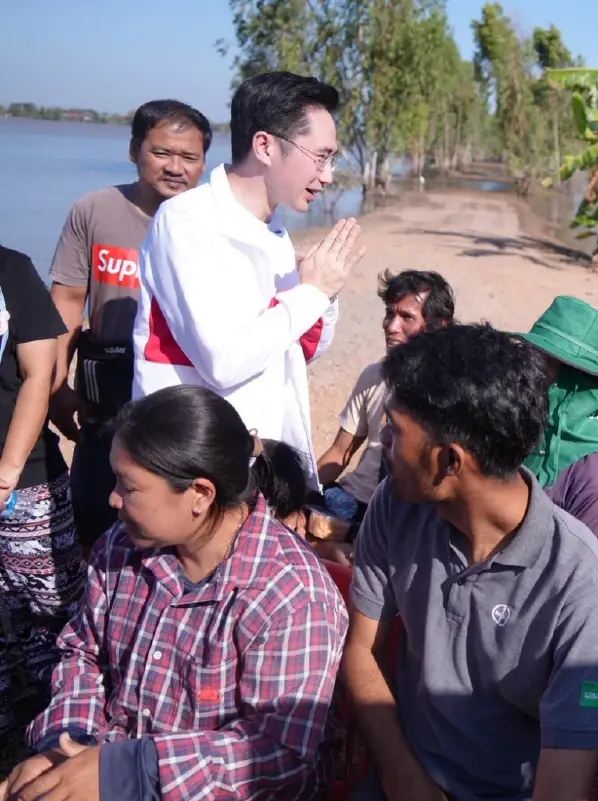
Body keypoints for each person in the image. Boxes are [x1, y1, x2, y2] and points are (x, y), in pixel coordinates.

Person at [0, 384, 348, 801]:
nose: (113, 499)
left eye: (128, 487)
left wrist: (131, 772)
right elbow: (83, 654)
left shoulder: (290, 595)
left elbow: (280, 754)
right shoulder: (122, 546)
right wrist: (68, 745)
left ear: (199, 494)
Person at [342, 324, 598, 801]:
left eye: (395, 429)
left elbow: (561, 789)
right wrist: (403, 778)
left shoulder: (583, 589)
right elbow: (362, 651)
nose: (383, 441)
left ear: (450, 462)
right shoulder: (396, 503)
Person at [131, 71, 365, 486]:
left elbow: (296, 352)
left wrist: (324, 293)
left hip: (255, 463)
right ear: (265, 146)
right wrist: (312, 293)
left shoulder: (272, 233)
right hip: (190, 471)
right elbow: (223, 362)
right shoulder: (188, 221)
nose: (328, 175)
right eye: (321, 157)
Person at [48, 100, 212, 550]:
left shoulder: (213, 225)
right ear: (134, 149)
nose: (175, 167)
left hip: (180, 400)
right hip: (104, 398)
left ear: (204, 164)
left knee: (174, 530)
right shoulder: (94, 210)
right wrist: (56, 386)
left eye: (189, 157)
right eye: (161, 152)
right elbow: (67, 301)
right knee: (94, 519)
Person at [0, 245, 86, 774]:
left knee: (54, 613)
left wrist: (5, 473)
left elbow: (42, 374)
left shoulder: (9, 269)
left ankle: (60, 736)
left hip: (25, 483)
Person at [316, 269, 455, 543]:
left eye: (406, 317)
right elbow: (340, 451)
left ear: (438, 326)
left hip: (402, 515)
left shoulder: (448, 391)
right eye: (390, 314)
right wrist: (297, 492)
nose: (391, 326)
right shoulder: (374, 376)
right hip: (351, 501)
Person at [519, 295, 598, 572]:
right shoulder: (522, 432)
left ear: (572, 381)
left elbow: (589, 585)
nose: (520, 372)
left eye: (537, 363)